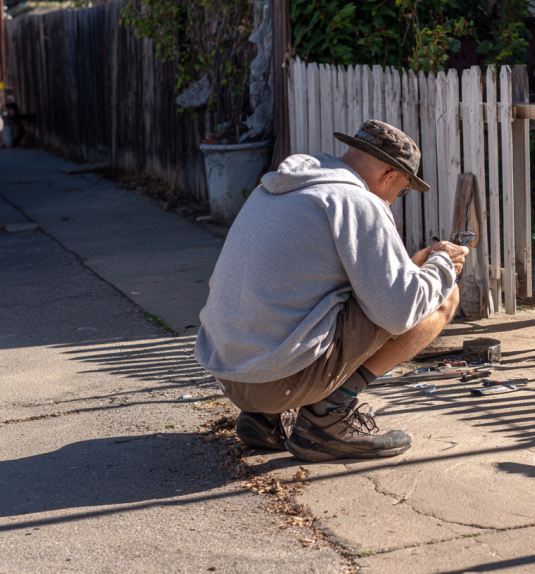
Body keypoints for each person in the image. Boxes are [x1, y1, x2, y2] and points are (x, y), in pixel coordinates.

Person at [194, 120, 467, 462]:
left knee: (316, 299)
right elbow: (397, 312)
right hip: (277, 380)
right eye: (404, 189)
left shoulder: (275, 188)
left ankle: (266, 418)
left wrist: (409, 268)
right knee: (443, 298)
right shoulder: (357, 202)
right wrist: (442, 262)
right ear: (387, 175)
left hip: (232, 375)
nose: (398, 198)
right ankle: (329, 417)